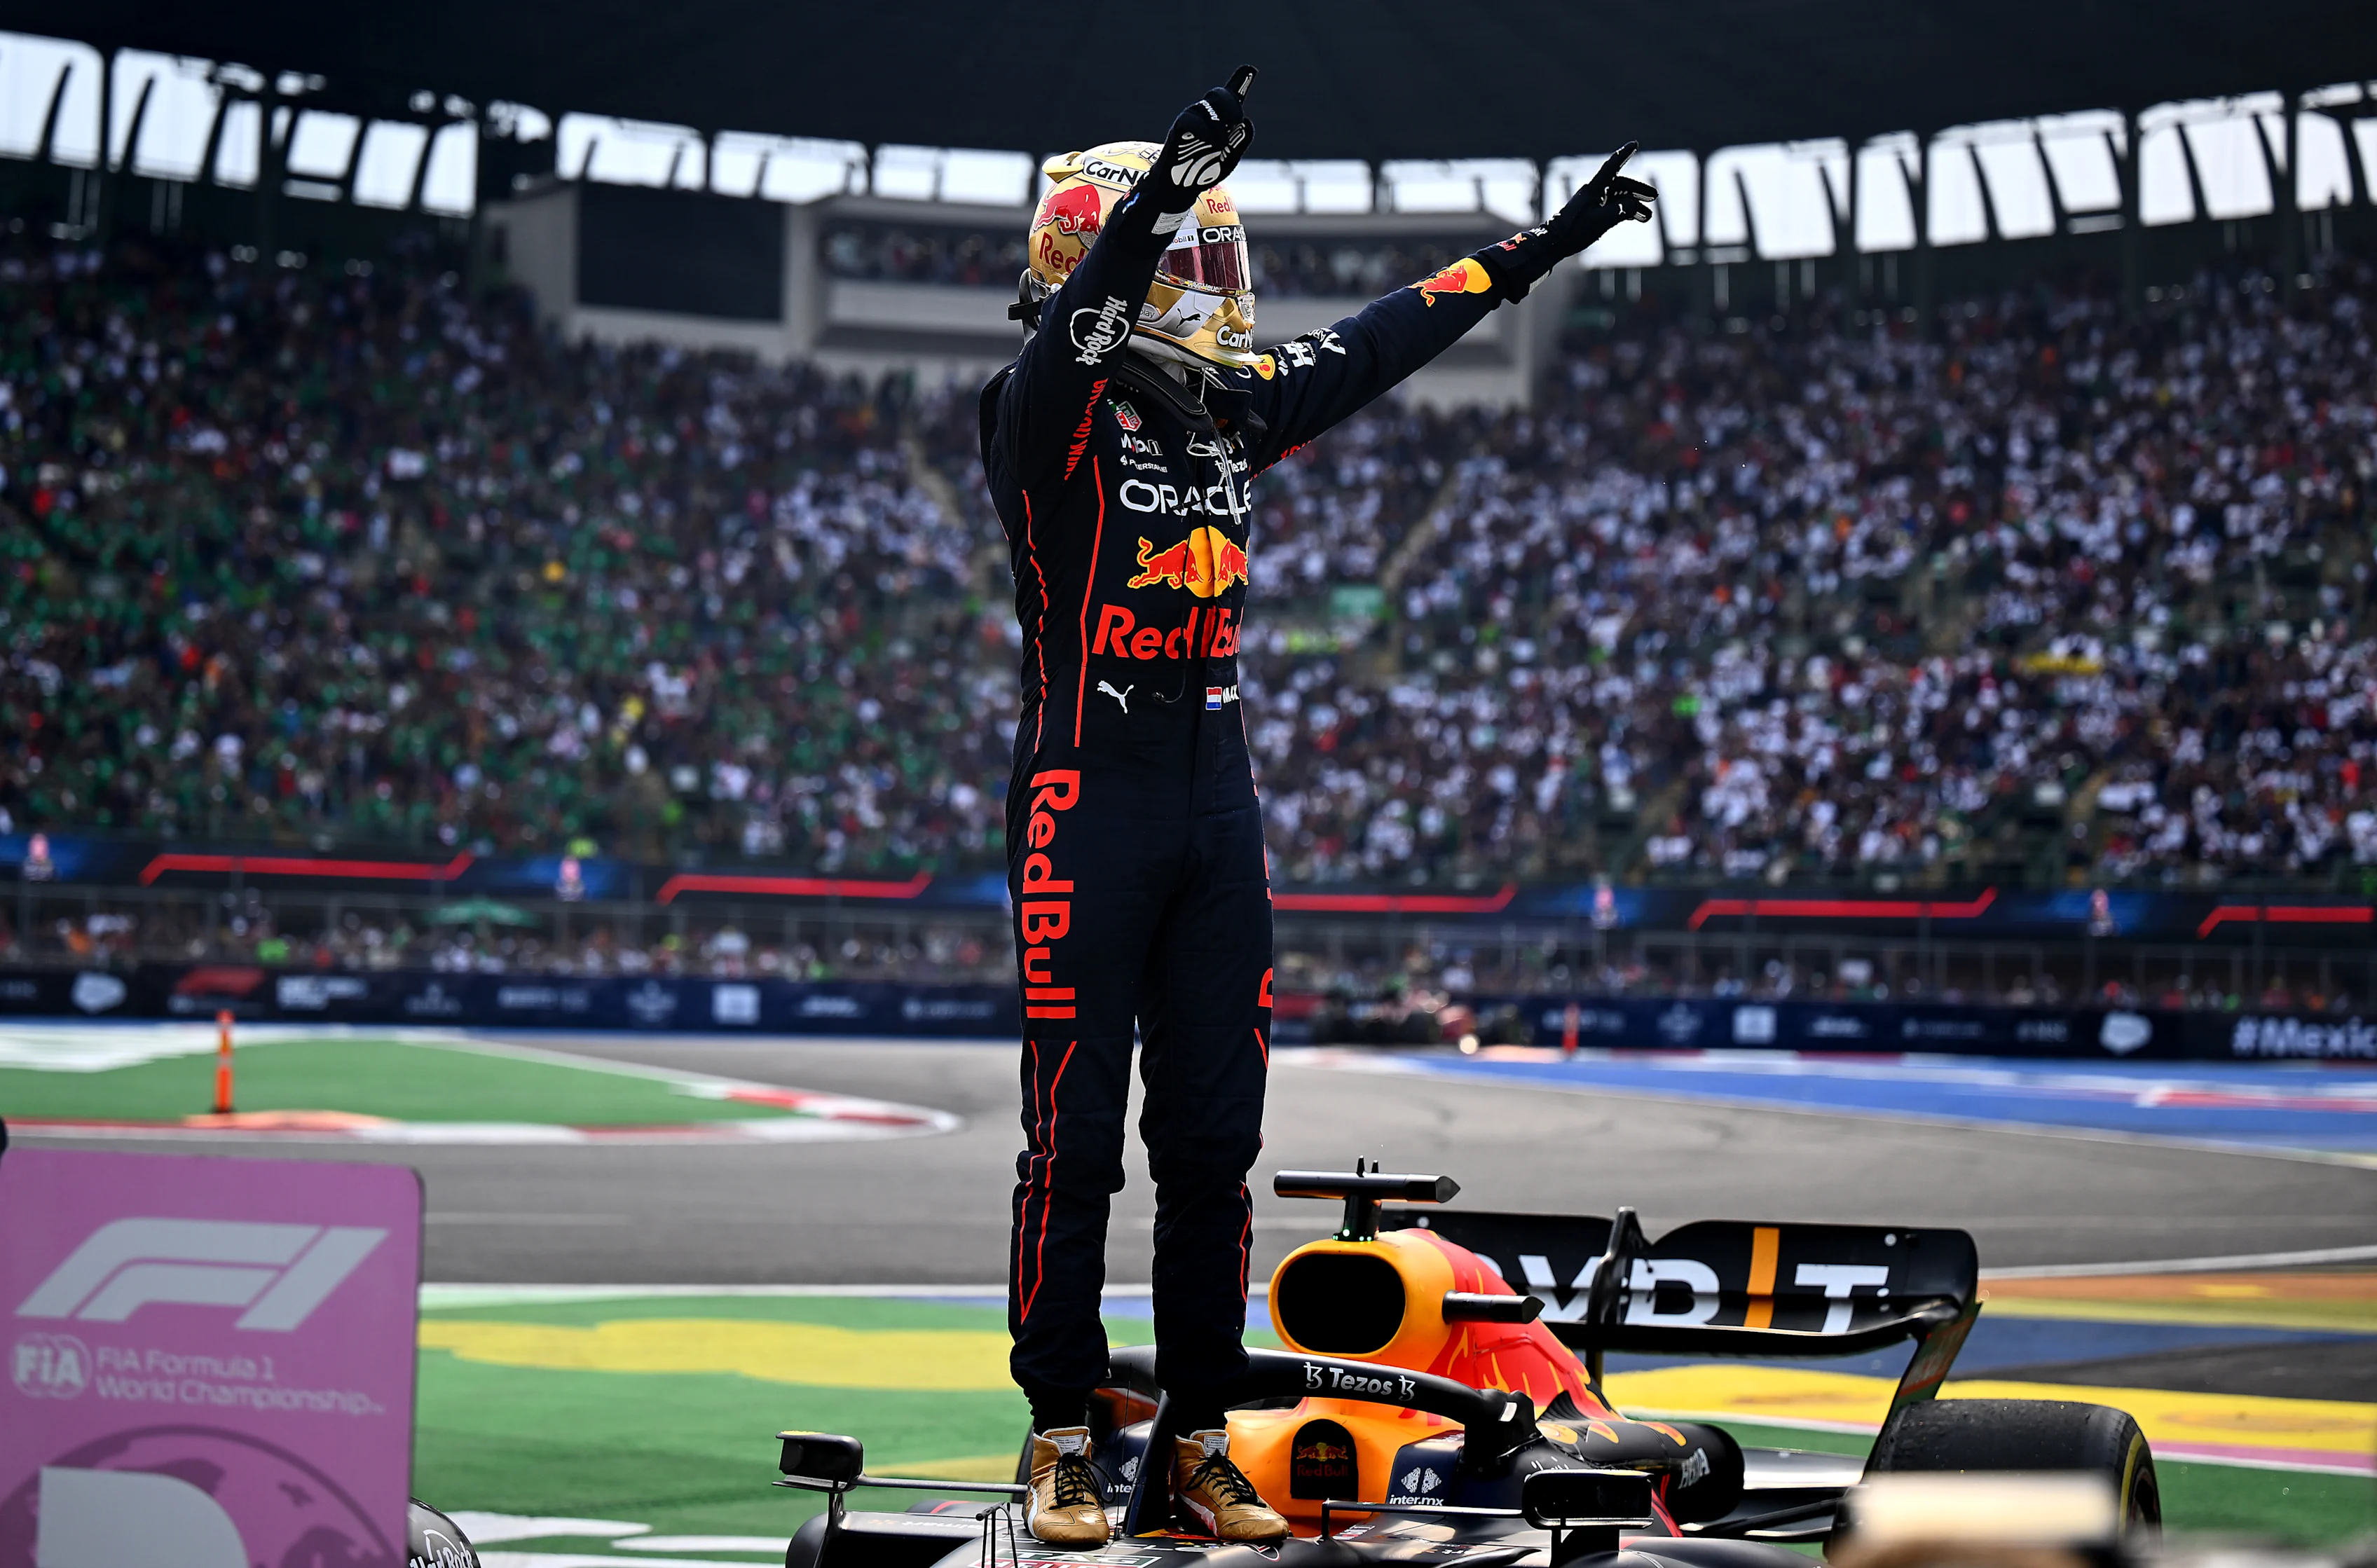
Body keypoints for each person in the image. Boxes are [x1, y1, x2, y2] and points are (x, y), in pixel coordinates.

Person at [978, 67, 1653, 1546]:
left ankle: (1202, 1439)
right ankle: (1058, 1433)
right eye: (1190, 260)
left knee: (1212, 1147)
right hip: (1082, 810)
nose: (1218, 285)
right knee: (1072, 1140)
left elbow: (1379, 341)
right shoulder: (1042, 416)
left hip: (1217, 812)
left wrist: (1537, 250)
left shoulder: (1228, 413)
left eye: (1216, 254)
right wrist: (1154, 194)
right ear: (1108, 260)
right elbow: (1085, 334)